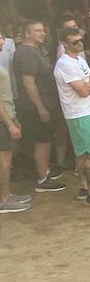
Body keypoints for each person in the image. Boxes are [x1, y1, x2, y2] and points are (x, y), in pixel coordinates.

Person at [52, 26, 90, 206]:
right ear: (64, 44)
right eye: (74, 42)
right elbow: (85, 90)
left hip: (83, 111)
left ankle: (85, 189)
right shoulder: (65, 64)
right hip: (79, 113)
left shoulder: (79, 60)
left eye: (80, 40)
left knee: (83, 154)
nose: (79, 44)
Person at [12, 20, 64, 192]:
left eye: (43, 30)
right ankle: (43, 178)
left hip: (39, 103)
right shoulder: (27, 53)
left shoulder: (35, 50)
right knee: (43, 141)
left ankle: (44, 170)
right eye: (37, 30)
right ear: (27, 33)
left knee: (44, 139)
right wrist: (41, 108)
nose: (42, 33)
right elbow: (28, 83)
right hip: (34, 106)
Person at [0, 27, 31, 213]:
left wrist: (13, 118)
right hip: (2, 120)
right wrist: (9, 122)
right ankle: (3, 199)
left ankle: (7, 194)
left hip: (7, 117)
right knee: (4, 160)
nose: (3, 41)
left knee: (7, 159)